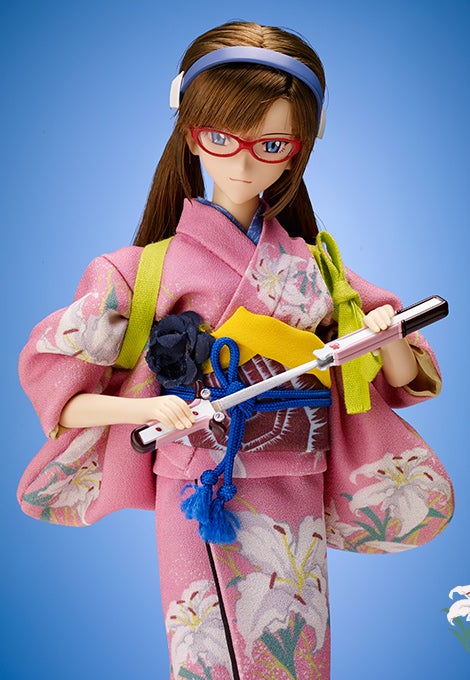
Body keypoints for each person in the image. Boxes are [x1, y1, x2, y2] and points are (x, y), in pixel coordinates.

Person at [17, 21, 454, 679]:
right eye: (219, 137)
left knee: (297, 651)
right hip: (199, 485)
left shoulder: (318, 268)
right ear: (190, 131)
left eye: (270, 144)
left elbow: (397, 376)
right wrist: (147, 411)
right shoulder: (137, 273)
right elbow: (64, 399)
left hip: (296, 480)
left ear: (298, 149)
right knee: (207, 654)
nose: (243, 164)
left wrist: (385, 334)